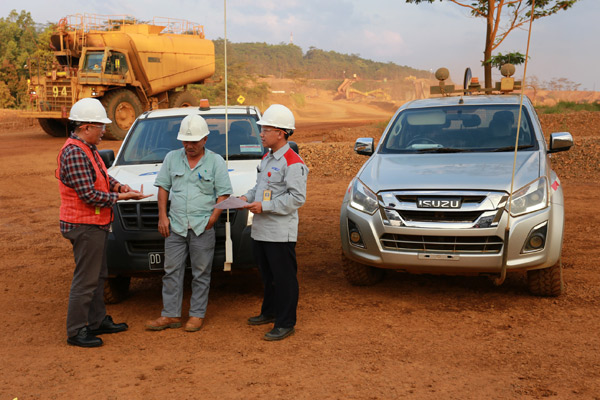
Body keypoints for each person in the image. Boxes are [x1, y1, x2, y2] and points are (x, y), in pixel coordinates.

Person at [57, 98, 150, 348]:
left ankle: (97, 320)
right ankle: (77, 330)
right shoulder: (75, 152)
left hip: (93, 224)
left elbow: (103, 178)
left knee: (98, 276)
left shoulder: (87, 149)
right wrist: (122, 196)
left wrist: (121, 186)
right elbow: (89, 195)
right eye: (100, 127)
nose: (104, 131)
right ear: (86, 127)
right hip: (83, 225)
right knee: (86, 279)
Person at [145, 114, 232, 332]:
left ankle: (196, 315)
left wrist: (213, 219)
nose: (189, 145)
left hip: (203, 226)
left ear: (205, 139)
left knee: (201, 272)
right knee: (171, 270)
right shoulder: (172, 158)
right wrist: (162, 217)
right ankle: (171, 315)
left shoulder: (216, 161)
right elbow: (163, 187)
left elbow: (223, 194)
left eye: (194, 141)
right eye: (185, 141)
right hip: (175, 226)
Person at [241, 104, 308, 341]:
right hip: (261, 230)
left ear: (281, 133)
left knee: (284, 278)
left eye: (266, 129)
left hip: (280, 233)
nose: (261, 134)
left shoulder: (293, 162)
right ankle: (268, 312)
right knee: (267, 276)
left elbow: (297, 198)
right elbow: (259, 187)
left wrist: (264, 206)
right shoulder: (267, 157)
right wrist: (245, 198)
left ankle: (285, 322)